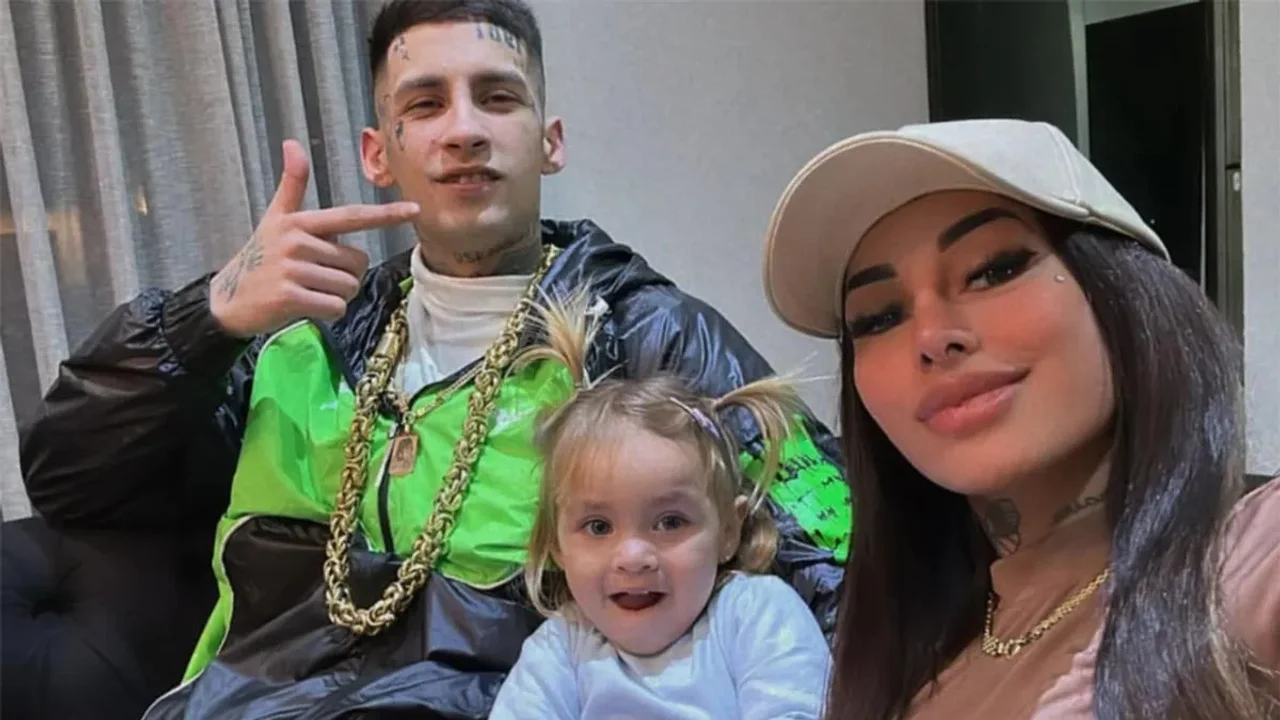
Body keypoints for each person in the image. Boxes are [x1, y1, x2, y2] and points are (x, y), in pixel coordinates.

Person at [18, 1, 850, 717]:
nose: (464, 130)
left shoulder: (643, 338)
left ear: (549, 141)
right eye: (426, 103)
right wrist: (209, 315)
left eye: (498, 97)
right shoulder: (298, 347)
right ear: (379, 152)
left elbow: (839, 555)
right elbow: (70, 479)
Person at [761, 118, 1280, 720]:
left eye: (994, 269)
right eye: (878, 318)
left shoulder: (1252, 563)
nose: (932, 337)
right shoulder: (902, 672)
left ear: (1124, 289)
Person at [487, 297, 832, 719]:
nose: (633, 557)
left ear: (728, 530)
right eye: (598, 526)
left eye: (670, 522)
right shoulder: (561, 648)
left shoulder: (754, 614)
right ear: (557, 545)